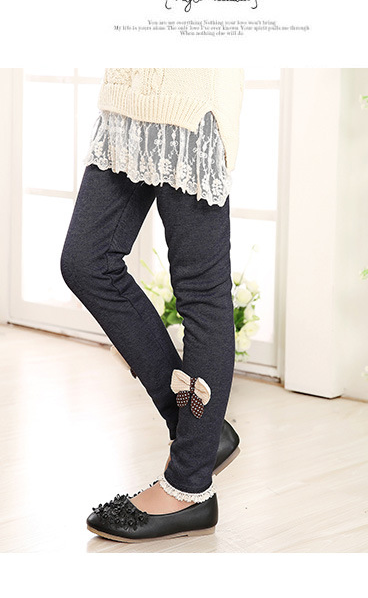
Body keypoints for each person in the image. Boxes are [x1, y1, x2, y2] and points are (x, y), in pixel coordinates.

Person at [60, 68, 244, 542]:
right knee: (85, 262)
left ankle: (189, 485)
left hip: (189, 102)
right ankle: (201, 435)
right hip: (128, 98)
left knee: (201, 291)